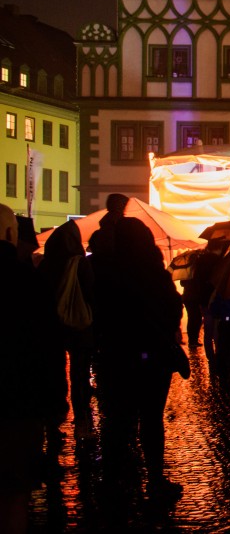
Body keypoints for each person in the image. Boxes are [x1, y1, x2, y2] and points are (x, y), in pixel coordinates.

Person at [90, 216, 185, 504]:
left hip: (115, 355)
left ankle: (112, 481)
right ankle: (155, 479)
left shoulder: (104, 271)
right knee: (151, 419)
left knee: (117, 420)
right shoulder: (154, 272)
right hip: (153, 356)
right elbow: (172, 310)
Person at [0, 204, 61, 533]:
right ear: (11, 235)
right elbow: (48, 345)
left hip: (19, 399)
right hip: (19, 402)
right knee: (14, 492)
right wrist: (55, 401)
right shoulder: (30, 282)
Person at [37, 221, 96, 430]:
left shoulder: (45, 264)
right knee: (79, 374)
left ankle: (53, 420)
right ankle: (81, 417)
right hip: (79, 327)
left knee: (54, 371)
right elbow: (91, 294)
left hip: (52, 327)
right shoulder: (80, 264)